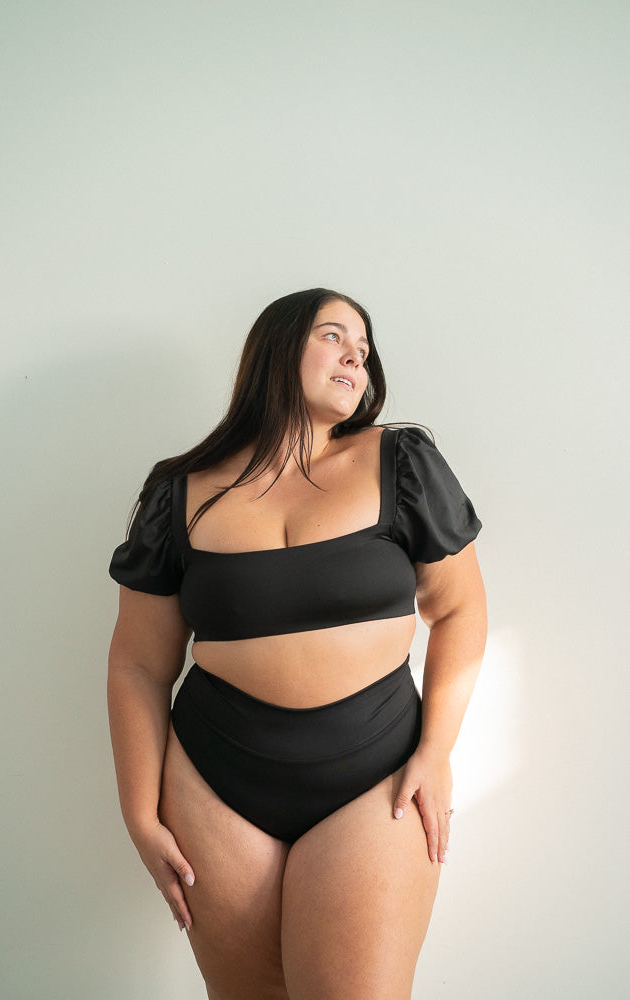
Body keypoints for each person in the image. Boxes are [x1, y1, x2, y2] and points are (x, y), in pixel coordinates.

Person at [107, 287, 487, 1000]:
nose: (356, 356)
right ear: (277, 349)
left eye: (364, 349)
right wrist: (137, 811)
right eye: (334, 335)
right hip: (214, 782)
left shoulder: (400, 462)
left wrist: (436, 751)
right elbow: (137, 665)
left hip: (377, 777)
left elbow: (461, 610)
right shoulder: (179, 494)